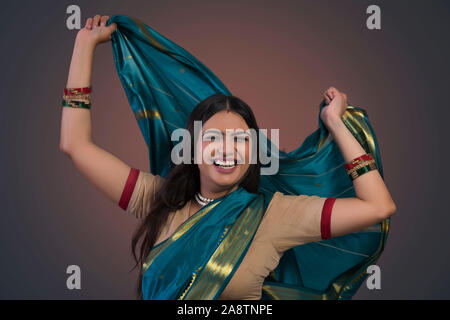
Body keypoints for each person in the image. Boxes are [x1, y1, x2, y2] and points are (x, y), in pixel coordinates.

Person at [59, 14, 396, 300]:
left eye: (240, 140)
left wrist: (336, 124)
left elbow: (378, 208)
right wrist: (84, 46)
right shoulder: (157, 200)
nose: (227, 149)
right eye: (213, 138)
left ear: (253, 152)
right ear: (190, 148)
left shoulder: (275, 215)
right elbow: (76, 145)